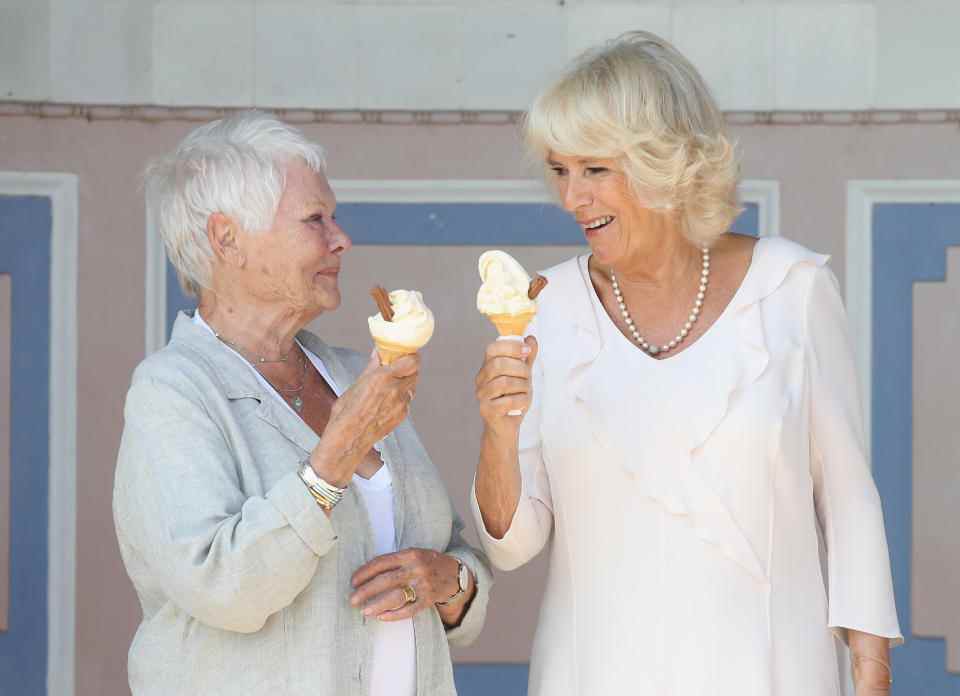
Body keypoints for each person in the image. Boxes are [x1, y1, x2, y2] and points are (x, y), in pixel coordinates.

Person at [471, 32, 901, 696]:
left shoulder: (791, 288)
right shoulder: (546, 307)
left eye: (594, 170)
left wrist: (872, 678)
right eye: (560, 171)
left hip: (771, 673)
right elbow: (512, 543)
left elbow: (849, 502)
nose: (570, 199)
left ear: (663, 161)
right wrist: (498, 433)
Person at [114, 111, 491, 696]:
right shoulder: (171, 391)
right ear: (227, 239)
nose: (342, 238)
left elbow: (448, 549)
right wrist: (336, 452)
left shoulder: (348, 373)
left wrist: (450, 582)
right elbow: (223, 587)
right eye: (315, 219)